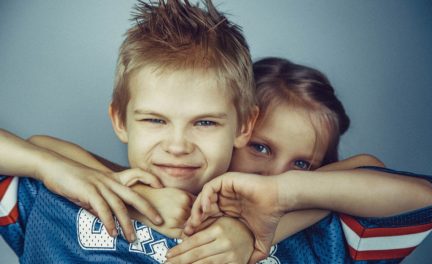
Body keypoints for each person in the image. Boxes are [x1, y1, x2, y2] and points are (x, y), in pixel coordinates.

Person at [0, 0, 260, 263]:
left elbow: (301, 195)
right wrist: (49, 167)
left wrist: (255, 233)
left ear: (244, 126)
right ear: (120, 120)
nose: (178, 146)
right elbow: (38, 146)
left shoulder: (262, 232)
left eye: (205, 123)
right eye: (155, 120)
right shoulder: (60, 199)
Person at [181, 58, 432, 263]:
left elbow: (426, 199)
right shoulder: (175, 197)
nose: (276, 175)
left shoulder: (328, 235)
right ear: (234, 133)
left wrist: (281, 195)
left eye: (301, 164)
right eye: (260, 148)